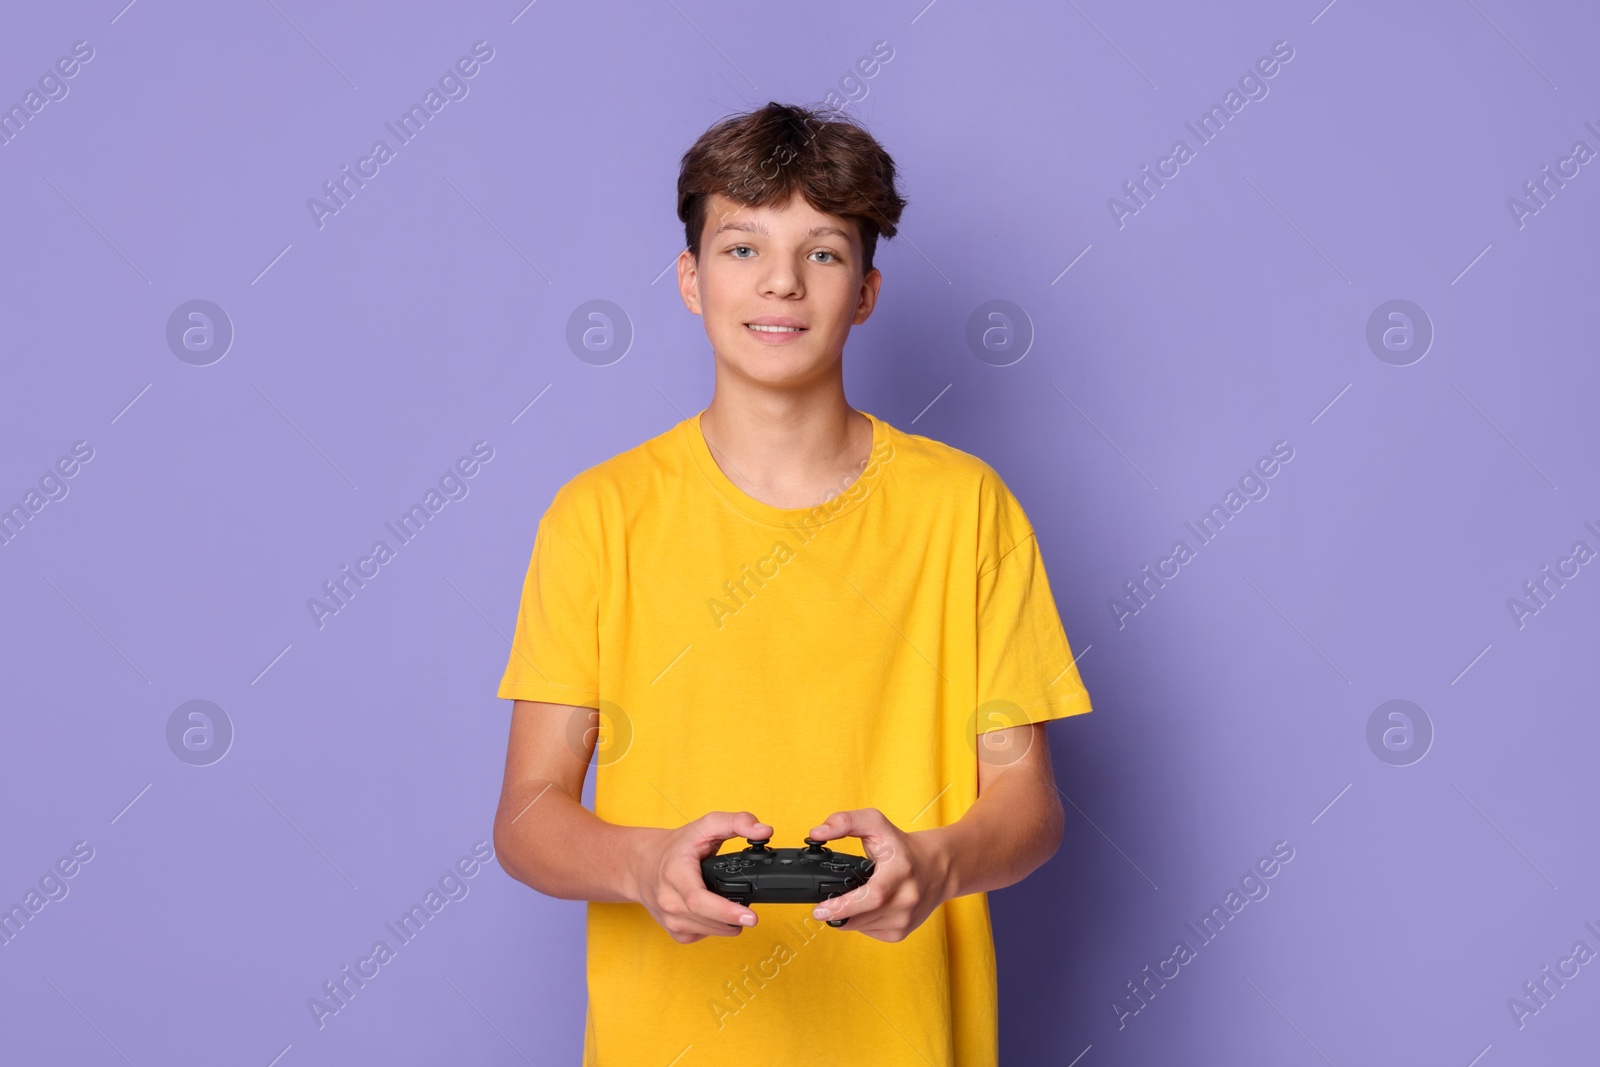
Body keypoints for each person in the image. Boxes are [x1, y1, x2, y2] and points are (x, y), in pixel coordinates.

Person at [492, 100, 1093, 1066]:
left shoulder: (966, 510)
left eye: (821, 252)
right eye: (741, 248)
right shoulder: (598, 519)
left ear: (865, 291)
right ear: (690, 279)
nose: (780, 281)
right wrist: (643, 864)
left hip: (905, 1037)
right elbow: (528, 812)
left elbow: (1028, 805)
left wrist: (936, 863)